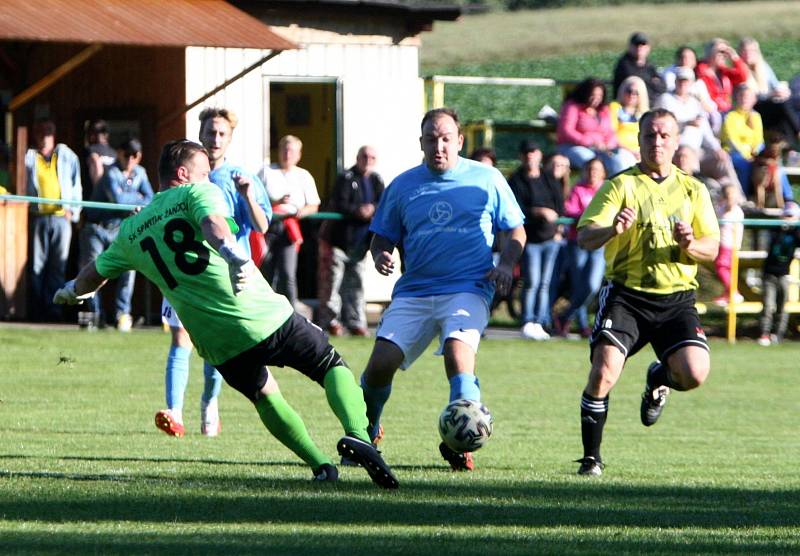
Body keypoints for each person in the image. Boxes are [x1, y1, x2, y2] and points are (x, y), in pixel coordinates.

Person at [52, 140, 398, 489]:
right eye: (204, 172)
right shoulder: (195, 193)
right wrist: (233, 257)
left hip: (217, 342)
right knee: (328, 364)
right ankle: (358, 436)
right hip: (256, 312)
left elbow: (92, 274)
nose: (209, 177)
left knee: (264, 394)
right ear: (184, 174)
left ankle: (321, 465)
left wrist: (69, 292)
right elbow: (214, 225)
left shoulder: (132, 229)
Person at [359, 108, 525, 471]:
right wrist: (381, 254)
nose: (439, 145)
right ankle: (366, 432)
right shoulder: (403, 185)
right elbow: (380, 237)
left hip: (468, 287)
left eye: (446, 138)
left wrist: (507, 264)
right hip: (414, 291)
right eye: (431, 139)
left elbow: (515, 230)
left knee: (457, 353)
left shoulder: (487, 179)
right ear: (421, 143)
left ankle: (460, 442)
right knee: (379, 366)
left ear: (460, 141)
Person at [574, 108, 720, 476]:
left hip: (676, 300)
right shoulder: (620, 186)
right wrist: (611, 230)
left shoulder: (693, 189)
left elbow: (712, 249)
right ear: (638, 140)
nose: (657, 142)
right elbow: (584, 235)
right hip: (627, 296)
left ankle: (659, 377)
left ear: (675, 141)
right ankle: (592, 458)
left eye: (664, 136)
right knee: (603, 371)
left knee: (694, 374)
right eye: (649, 135)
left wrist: (690, 243)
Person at [156, 107, 271, 438]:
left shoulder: (240, 177)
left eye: (222, 133)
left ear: (231, 138)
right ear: (200, 133)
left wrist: (248, 194)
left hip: (223, 276)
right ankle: (174, 412)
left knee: (214, 344)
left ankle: (209, 403)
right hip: (184, 272)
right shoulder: (184, 173)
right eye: (210, 132)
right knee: (181, 337)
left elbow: (262, 225)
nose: (215, 138)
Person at [79, 138, 153, 331]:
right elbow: (119, 200)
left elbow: (151, 200)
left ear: (139, 156)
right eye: (126, 154)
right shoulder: (110, 172)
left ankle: (122, 315)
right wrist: (137, 198)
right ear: (119, 153)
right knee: (93, 270)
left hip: (121, 229)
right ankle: (95, 316)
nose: (130, 159)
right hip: (97, 228)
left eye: (134, 155)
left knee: (129, 270)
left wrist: (139, 200)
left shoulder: (141, 173)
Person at [317, 146, 384, 337]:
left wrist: (372, 209)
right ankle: (331, 321)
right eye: (364, 156)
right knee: (332, 284)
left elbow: (385, 202)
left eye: (372, 156)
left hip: (362, 243)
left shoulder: (376, 180)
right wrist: (358, 210)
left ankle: (355, 322)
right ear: (357, 157)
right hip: (339, 241)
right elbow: (339, 202)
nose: (368, 160)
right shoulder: (345, 178)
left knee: (356, 284)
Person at [24, 119, 82, 321]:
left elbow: (77, 185)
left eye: (48, 132)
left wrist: (73, 212)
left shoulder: (66, 156)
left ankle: (54, 310)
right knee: (36, 266)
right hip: (38, 217)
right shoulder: (29, 157)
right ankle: (36, 309)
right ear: (35, 134)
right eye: (40, 132)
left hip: (61, 219)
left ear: (54, 135)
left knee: (58, 265)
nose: (44, 136)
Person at [508, 140, 563, 341]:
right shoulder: (516, 180)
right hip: (530, 239)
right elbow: (516, 209)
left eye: (534, 152)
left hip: (550, 239)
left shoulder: (549, 179)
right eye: (527, 152)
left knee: (546, 282)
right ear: (522, 156)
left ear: (540, 155)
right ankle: (527, 320)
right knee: (531, 281)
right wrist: (538, 211)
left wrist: (558, 229)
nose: (530, 156)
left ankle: (540, 321)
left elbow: (559, 205)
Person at [656, 67, 741, 193]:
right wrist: (685, 124)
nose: (683, 84)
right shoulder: (665, 100)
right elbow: (661, 127)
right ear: (675, 81)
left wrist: (717, 148)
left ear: (691, 83)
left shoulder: (695, 103)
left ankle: (736, 197)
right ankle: (687, 195)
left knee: (723, 159)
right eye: (680, 80)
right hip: (676, 149)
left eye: (686, 81)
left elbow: (706, 131)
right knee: (685, 156)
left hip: (698, 150)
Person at [259, 135, 321, 309]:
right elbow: (254, 200)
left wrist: (301, 212)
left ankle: (291, 314)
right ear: (278, 151)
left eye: (292, 150)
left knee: (288, 272)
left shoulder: (304, 176)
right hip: (267, 226)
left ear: (299, 154)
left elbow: (314, 205)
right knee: (266, 271)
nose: (287, 154)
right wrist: (276, 204)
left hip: (291, 227)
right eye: (284, 149)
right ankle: (265, 310)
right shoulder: (266, 171)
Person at [553, 158, 607, 338]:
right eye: (590, 169)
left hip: (599, 243)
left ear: (603, 173)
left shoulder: (607, 189)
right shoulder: (578, 189)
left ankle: (565, 316)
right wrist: (589, 216)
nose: (593, 172)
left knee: (592, 285)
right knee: (579, 285)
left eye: (597, 169)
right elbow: (570, 211)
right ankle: (583, 326)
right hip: (578, 242)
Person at [556, 77, 637, 175]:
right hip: (574, 146)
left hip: (602, 149)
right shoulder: (572, 106)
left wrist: (608, 144)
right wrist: (588, 141)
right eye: (593, 95)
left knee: (616, 163)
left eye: (599, 95)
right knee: (592, 165)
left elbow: (610, 131)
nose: (596, 98)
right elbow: (566, 130)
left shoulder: (604, 110)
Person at [738, 37, 800, 143]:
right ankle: (798, 132)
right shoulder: (740, 71)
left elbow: (775, 85)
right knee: (785, 105)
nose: (748, 54)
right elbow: (748, 97)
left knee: (793, 99)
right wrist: (771, 94)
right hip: (755, 107)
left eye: (752, 51)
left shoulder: (763, 67)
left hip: (771, 103)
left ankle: (790, 141)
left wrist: (782, 91)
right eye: (745, 51)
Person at [758, 201, 800, 346]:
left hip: (784, 275)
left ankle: (778, 334)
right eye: (786, 215)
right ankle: (764, 334)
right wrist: (783, 226)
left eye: (791, 216)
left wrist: (795, 226)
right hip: (769, 274)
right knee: (768, 306)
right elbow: (771, 238)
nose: (788, 218)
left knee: (782, 306)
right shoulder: (775, 230)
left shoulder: (796, 234)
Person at [721, 84, 765, 197]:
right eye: (742, 96)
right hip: (734, 153)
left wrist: (755, 152)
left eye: (748, 97)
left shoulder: (756, 116)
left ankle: (788, 200)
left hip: (752, 154)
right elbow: (731, 140)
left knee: (774, 168)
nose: (745, 99)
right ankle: (743, 197)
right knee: (743, 164)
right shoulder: (730, 116)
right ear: (737, 98)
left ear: (754, 100)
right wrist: (746, 155)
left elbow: (759, 140)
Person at [695, 38, 748, 115]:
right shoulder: (700, 71)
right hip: (709, 112)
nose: (724, 55)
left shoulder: (724, 72)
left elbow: (742, 76)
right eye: (720, 52)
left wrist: (735, 57)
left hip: (726, 111)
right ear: (710, 52)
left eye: (726, 52)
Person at [712, 184, 745, 306]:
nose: (730, 199)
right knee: (726, 269)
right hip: (723, 244)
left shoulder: (735, 211)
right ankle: (728, 293)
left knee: (721, 267)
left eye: (733, 196)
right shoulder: (722, 208)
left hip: (729, 245)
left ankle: (733, 292)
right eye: (727, 196)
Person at [612, 32, 665, 101]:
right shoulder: (624, 64)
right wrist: (652, 82)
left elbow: (662, 86)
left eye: (642, 45)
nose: (639, 48)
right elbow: (637, 81)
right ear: (630, 47)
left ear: (648, 48)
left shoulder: (650, 64)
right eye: (636, 45)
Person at [609, 76, 650, 162]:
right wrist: (630, 151)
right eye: (629, 91)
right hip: (620, 149)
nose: (632, 95)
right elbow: (611, 133)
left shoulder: (645, 113)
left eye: (636, 93)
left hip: (640, 150)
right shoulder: (614, 107)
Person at [81, 119, 117, 201]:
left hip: (94, 199)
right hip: (113, 198)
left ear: (92, 135)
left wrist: (98, 192)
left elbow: (96, 164)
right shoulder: (114, 154)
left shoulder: (90, 151)